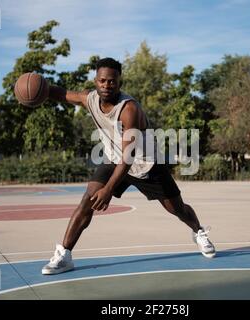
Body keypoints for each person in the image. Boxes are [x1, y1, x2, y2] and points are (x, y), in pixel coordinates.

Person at [41, 57, 215, 275]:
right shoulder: (89, 99)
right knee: (87, 200)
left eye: (112, 81)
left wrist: (109, 189)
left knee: (177, 209)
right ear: (96, 81)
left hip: (145, 164)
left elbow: (129, 156)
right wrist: (41, 87)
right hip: (114, 159)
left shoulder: (128, 109)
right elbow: (64, 94)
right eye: (102, 81)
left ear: (119, 82)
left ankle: (198, 231)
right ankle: (64, 255)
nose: (106, 85)